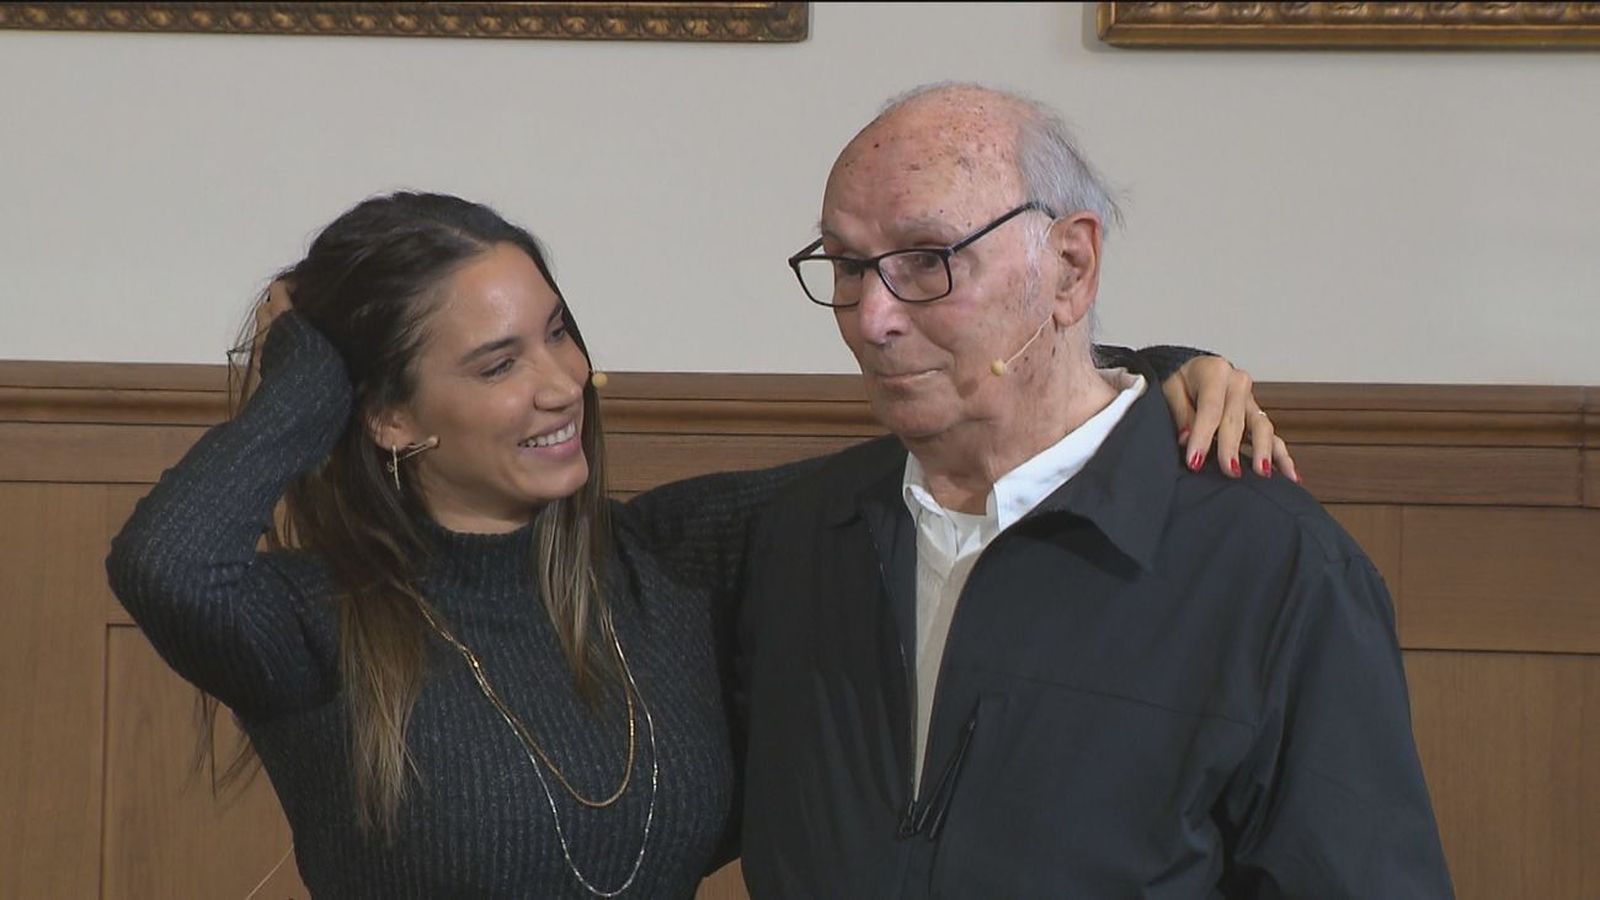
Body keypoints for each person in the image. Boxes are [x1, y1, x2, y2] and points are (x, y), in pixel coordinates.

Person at [106, 191, 1288, 897]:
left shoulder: (675, 555)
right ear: (389, 418)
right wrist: (309, 357)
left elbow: (962, 442)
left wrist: (1149, 374)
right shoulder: (308, 621)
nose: (562, 383)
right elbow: (165, 561)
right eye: (498, 362)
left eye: (558, 333)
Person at [736, 83, 1453, 897]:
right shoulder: (799, 534)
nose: (872, 319)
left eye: (928, 260)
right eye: (848, 265)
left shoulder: (1277, 566)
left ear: (1071, 268)